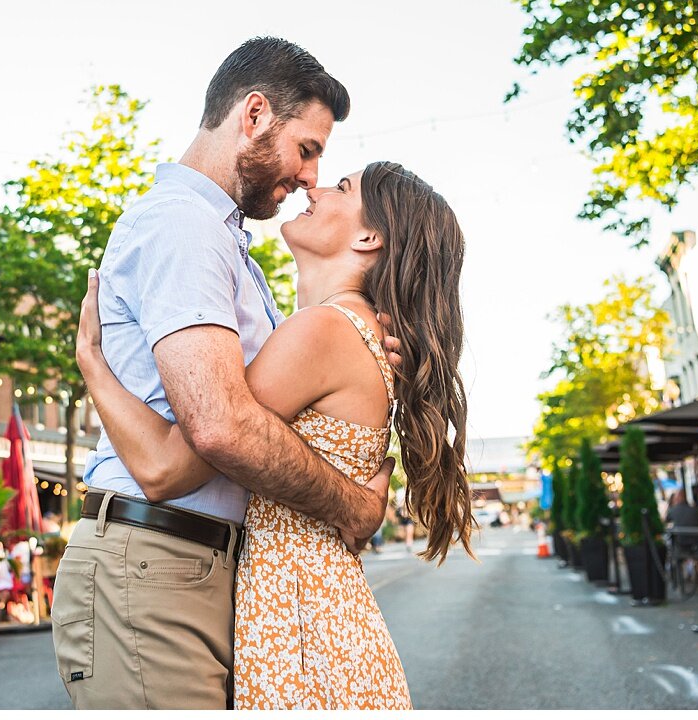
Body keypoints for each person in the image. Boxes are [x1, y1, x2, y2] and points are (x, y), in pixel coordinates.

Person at [51, 39, 399, 710]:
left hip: (190, 565)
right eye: (307, 149)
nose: (310, 176)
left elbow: (278, 394)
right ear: (255, 114)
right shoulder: (185, 227)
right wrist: (353, 504)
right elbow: (218, 428)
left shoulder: (227, 243)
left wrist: (365, 341)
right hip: (151, 562)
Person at [78, 159, 474, 708]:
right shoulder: (351, 330)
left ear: (368, 236)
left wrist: (94, 365)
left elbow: (167, 468)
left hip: (299, 612)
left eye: (342, 187)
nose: (314, 184)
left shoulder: (321, 331)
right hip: (318, 608)